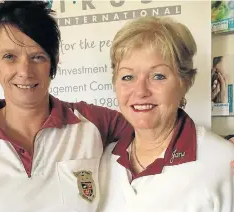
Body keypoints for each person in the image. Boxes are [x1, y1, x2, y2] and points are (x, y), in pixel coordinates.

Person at [0, 2, 133, 212]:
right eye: (9, 57)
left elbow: (159, 134)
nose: (25, 71)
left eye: (37, 57)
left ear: (54, 62)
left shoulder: (94, 122)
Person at [98, 16, 234, 212]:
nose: (140, 91)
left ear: (184, 82)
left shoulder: (222, 162)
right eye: (128, 77)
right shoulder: (103, 160)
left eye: (158, 76)